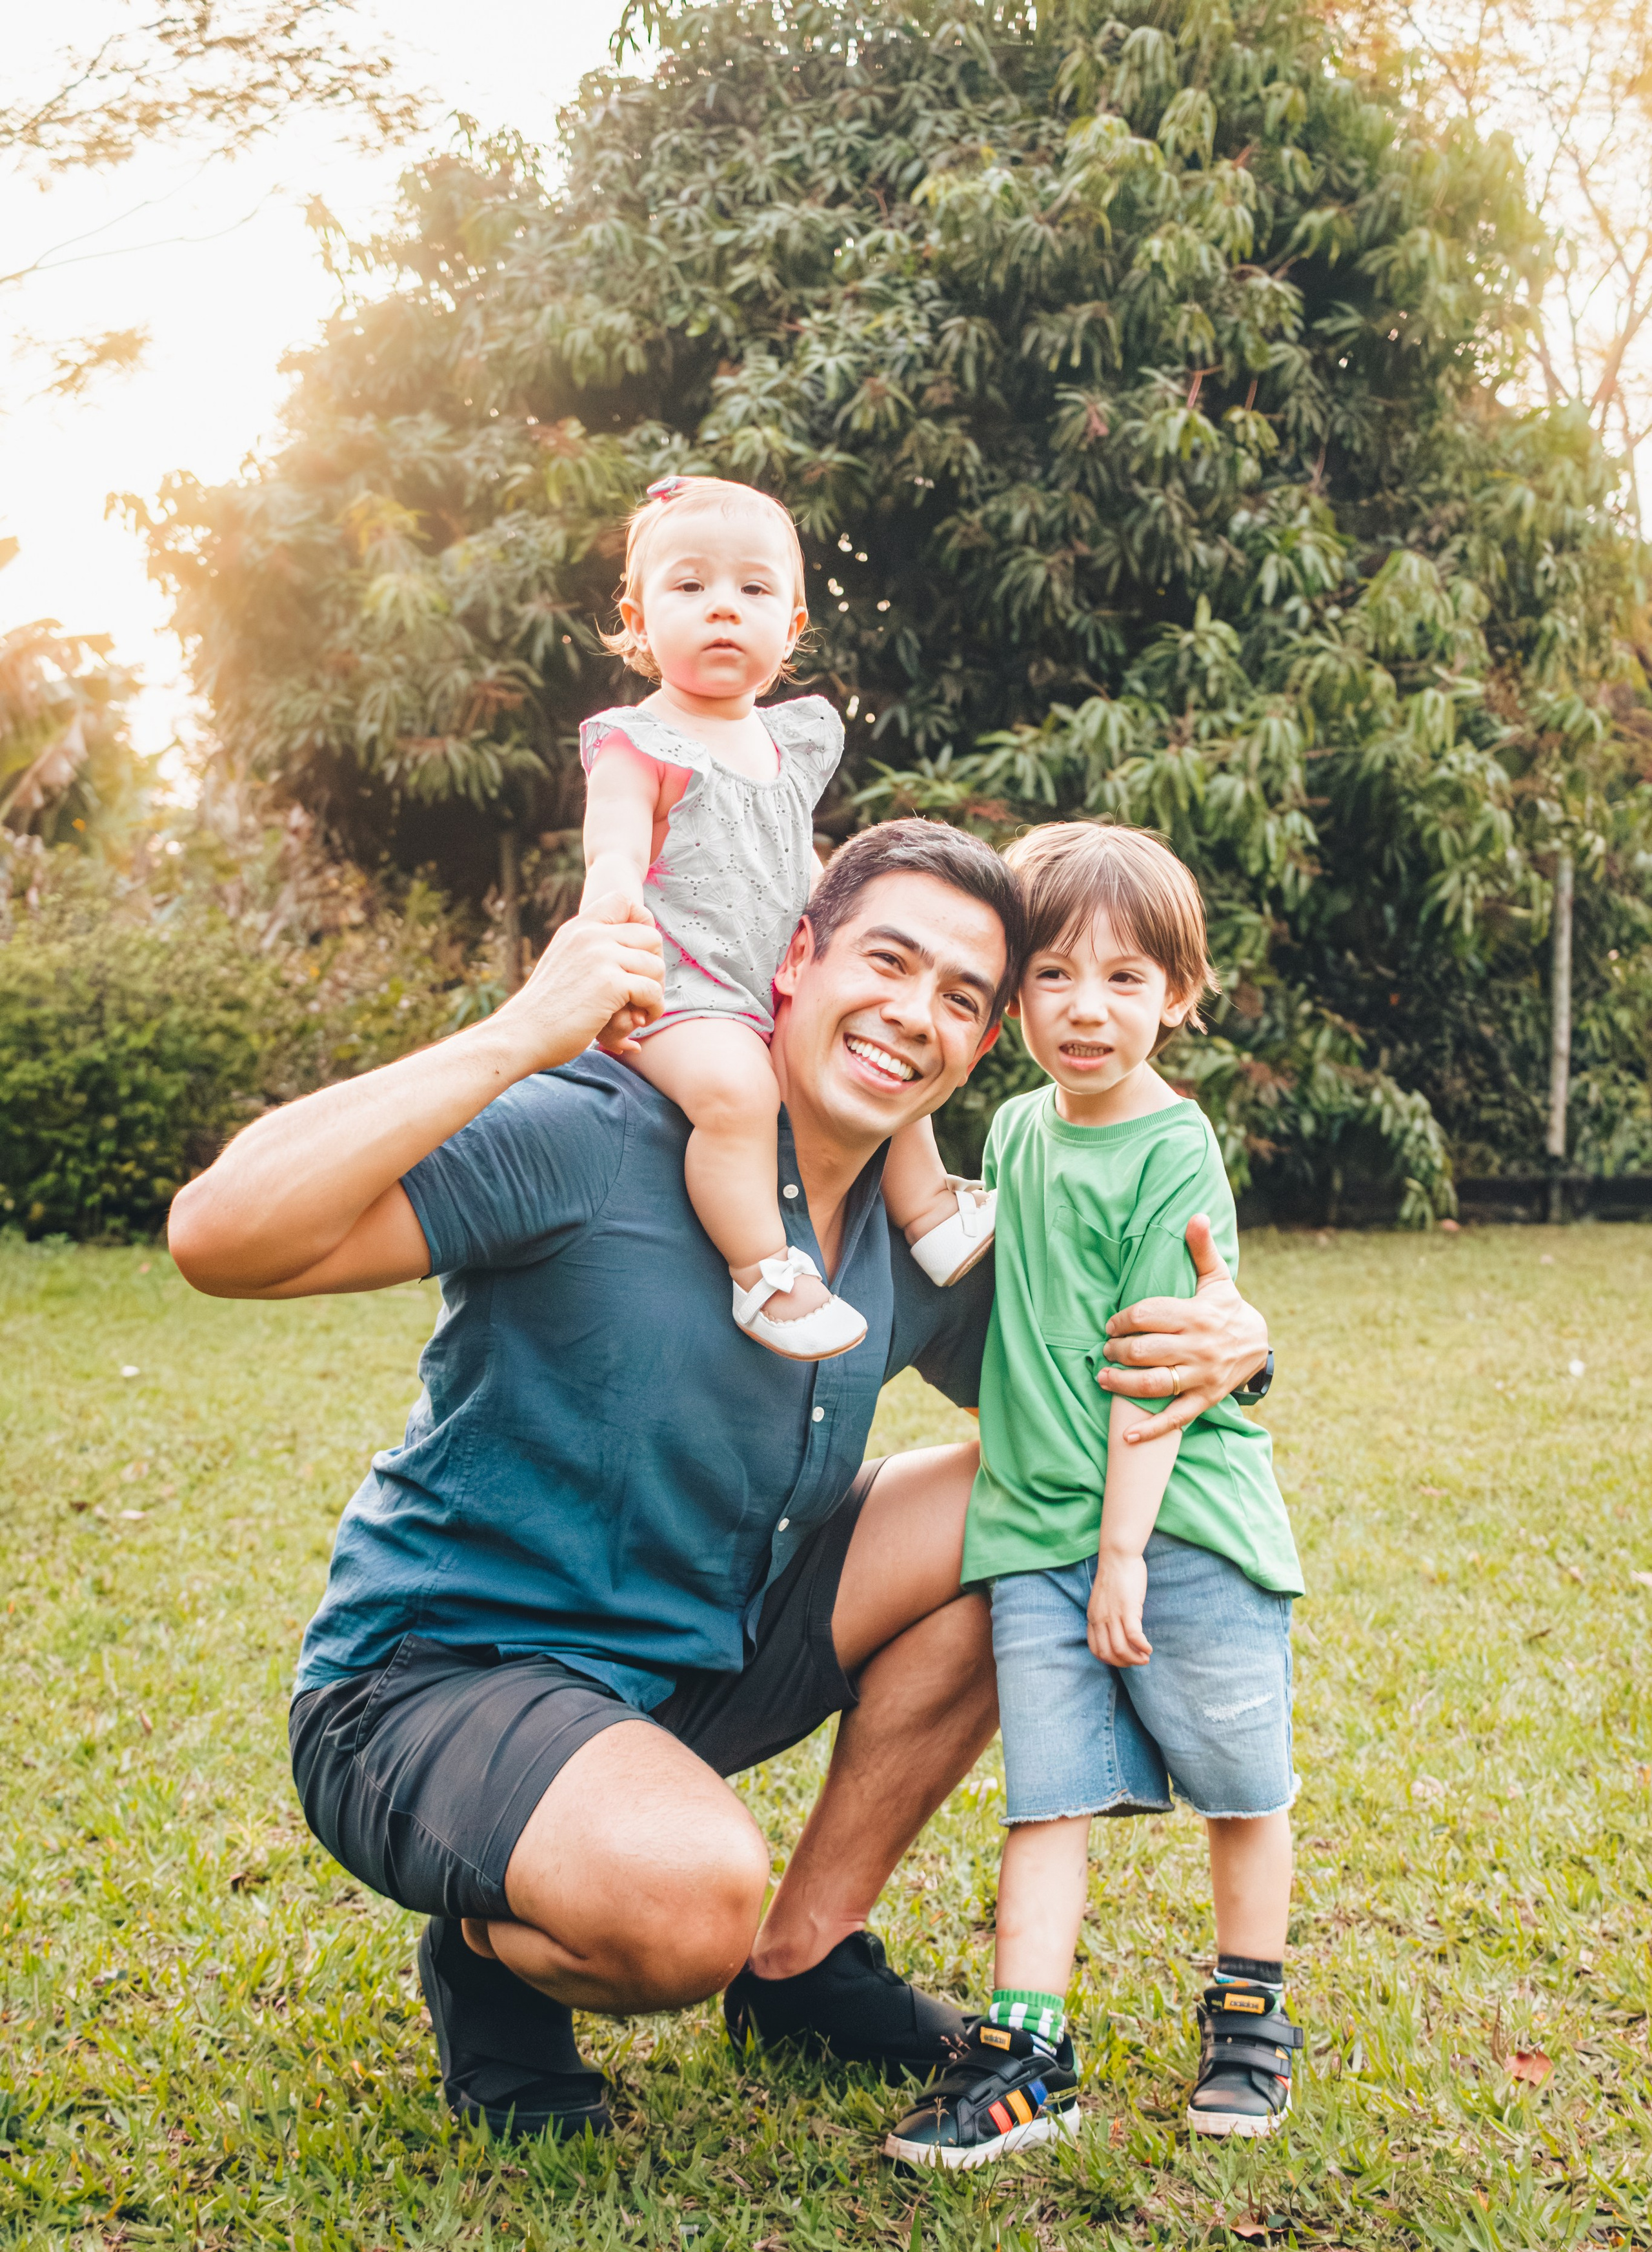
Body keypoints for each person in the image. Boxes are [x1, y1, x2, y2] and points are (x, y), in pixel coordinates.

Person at [166, 816, 1272, 2143]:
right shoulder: (599, 1135)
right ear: (795, 956)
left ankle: (802, 1965)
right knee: (687, 1899)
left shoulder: (922, 1243)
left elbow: (1089, 1389)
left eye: (960, 997)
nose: (911, 1013)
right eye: (886, 960)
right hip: (434, 1680)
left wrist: (1238, 1347)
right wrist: (526, 1027)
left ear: (982, 1046)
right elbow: (218, 1240)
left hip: (695, 1657)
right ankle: (487, 1939)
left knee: (1024, 1515)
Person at [884, 821, 1304, 2171]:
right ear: (1012, 1003)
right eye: (1054, 976)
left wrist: (1120, 1551)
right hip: (1032, 1528)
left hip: (1179, 1526)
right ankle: (1026, 2057)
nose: (1085, 1008)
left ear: (1175, 997)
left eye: (1125, 980)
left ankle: (1247, 2017)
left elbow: (1149, 1369)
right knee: (1044, 1798)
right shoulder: (1013, 1128)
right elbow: (959, 1236)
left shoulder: (1173, 1153)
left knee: (1240, 1784)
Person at [579, 475, 986, 1363]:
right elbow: (611, 847)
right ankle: (765, 1272)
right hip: (683, 995)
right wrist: (608, 902)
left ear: (793, 625)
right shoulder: (638, 742)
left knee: (884, 1035)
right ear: (639, 616)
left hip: (771, 983)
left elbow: (806, 867)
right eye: (689, 587)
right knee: (740, 1096)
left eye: (754, 590)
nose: (724, 609)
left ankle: (930, 1212)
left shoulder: (785, 743)